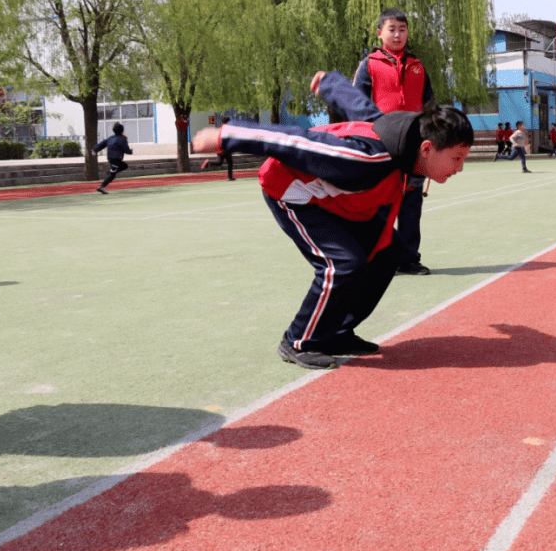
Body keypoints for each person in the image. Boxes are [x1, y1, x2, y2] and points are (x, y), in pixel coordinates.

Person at [192, 70, 473, 370]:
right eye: (457, 158)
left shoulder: (403, 139)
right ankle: (299, 340)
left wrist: (329, 83)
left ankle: (336, 333)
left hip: (336, 199)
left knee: (389, 253)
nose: (460, 167)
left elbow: (362, 108)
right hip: (292, 190)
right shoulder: (364, 158)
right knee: (343, 264)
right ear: (427, 149)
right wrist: (227, 136)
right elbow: (297, 141)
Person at [354, 8, 436, 276]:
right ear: (380, 33)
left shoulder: (418, 66)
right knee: (380, 205)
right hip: (381, 144)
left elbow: (430, 106)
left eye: (402, 29)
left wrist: (433, 139)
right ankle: (379, 259)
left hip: (413, 146)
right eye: (392, 29)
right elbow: (358, 107)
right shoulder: (369, 65)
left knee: (411, 205)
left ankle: (409, 259)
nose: (398, 34)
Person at [93, 122, 132, 194]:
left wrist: (95, 150)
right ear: (122, 130)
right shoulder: (122, 139)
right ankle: (101, 186)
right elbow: (126, 150)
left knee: (124, 165)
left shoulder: (110, 138)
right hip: (116, 158)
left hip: (110, 158)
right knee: (112, 175)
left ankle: (110, 173)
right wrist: (130, 151)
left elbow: (102, 144)